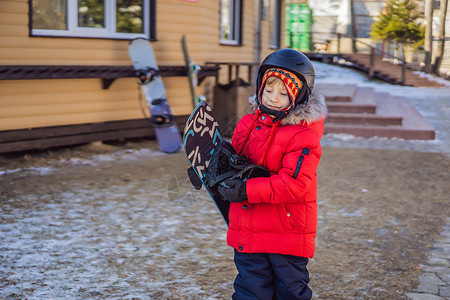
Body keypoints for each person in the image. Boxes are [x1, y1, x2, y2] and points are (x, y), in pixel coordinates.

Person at [217, 49, 327, 300]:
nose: (274, 99)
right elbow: (239, 166)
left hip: (286, 232)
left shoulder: (303, 135)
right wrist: (214, 167)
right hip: (248, 226)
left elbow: (293, 183)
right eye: (268, 91)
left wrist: (245, 190)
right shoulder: (246, 124)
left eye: (283, 93)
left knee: (289, 291)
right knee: (250, 290)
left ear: (299, 96)